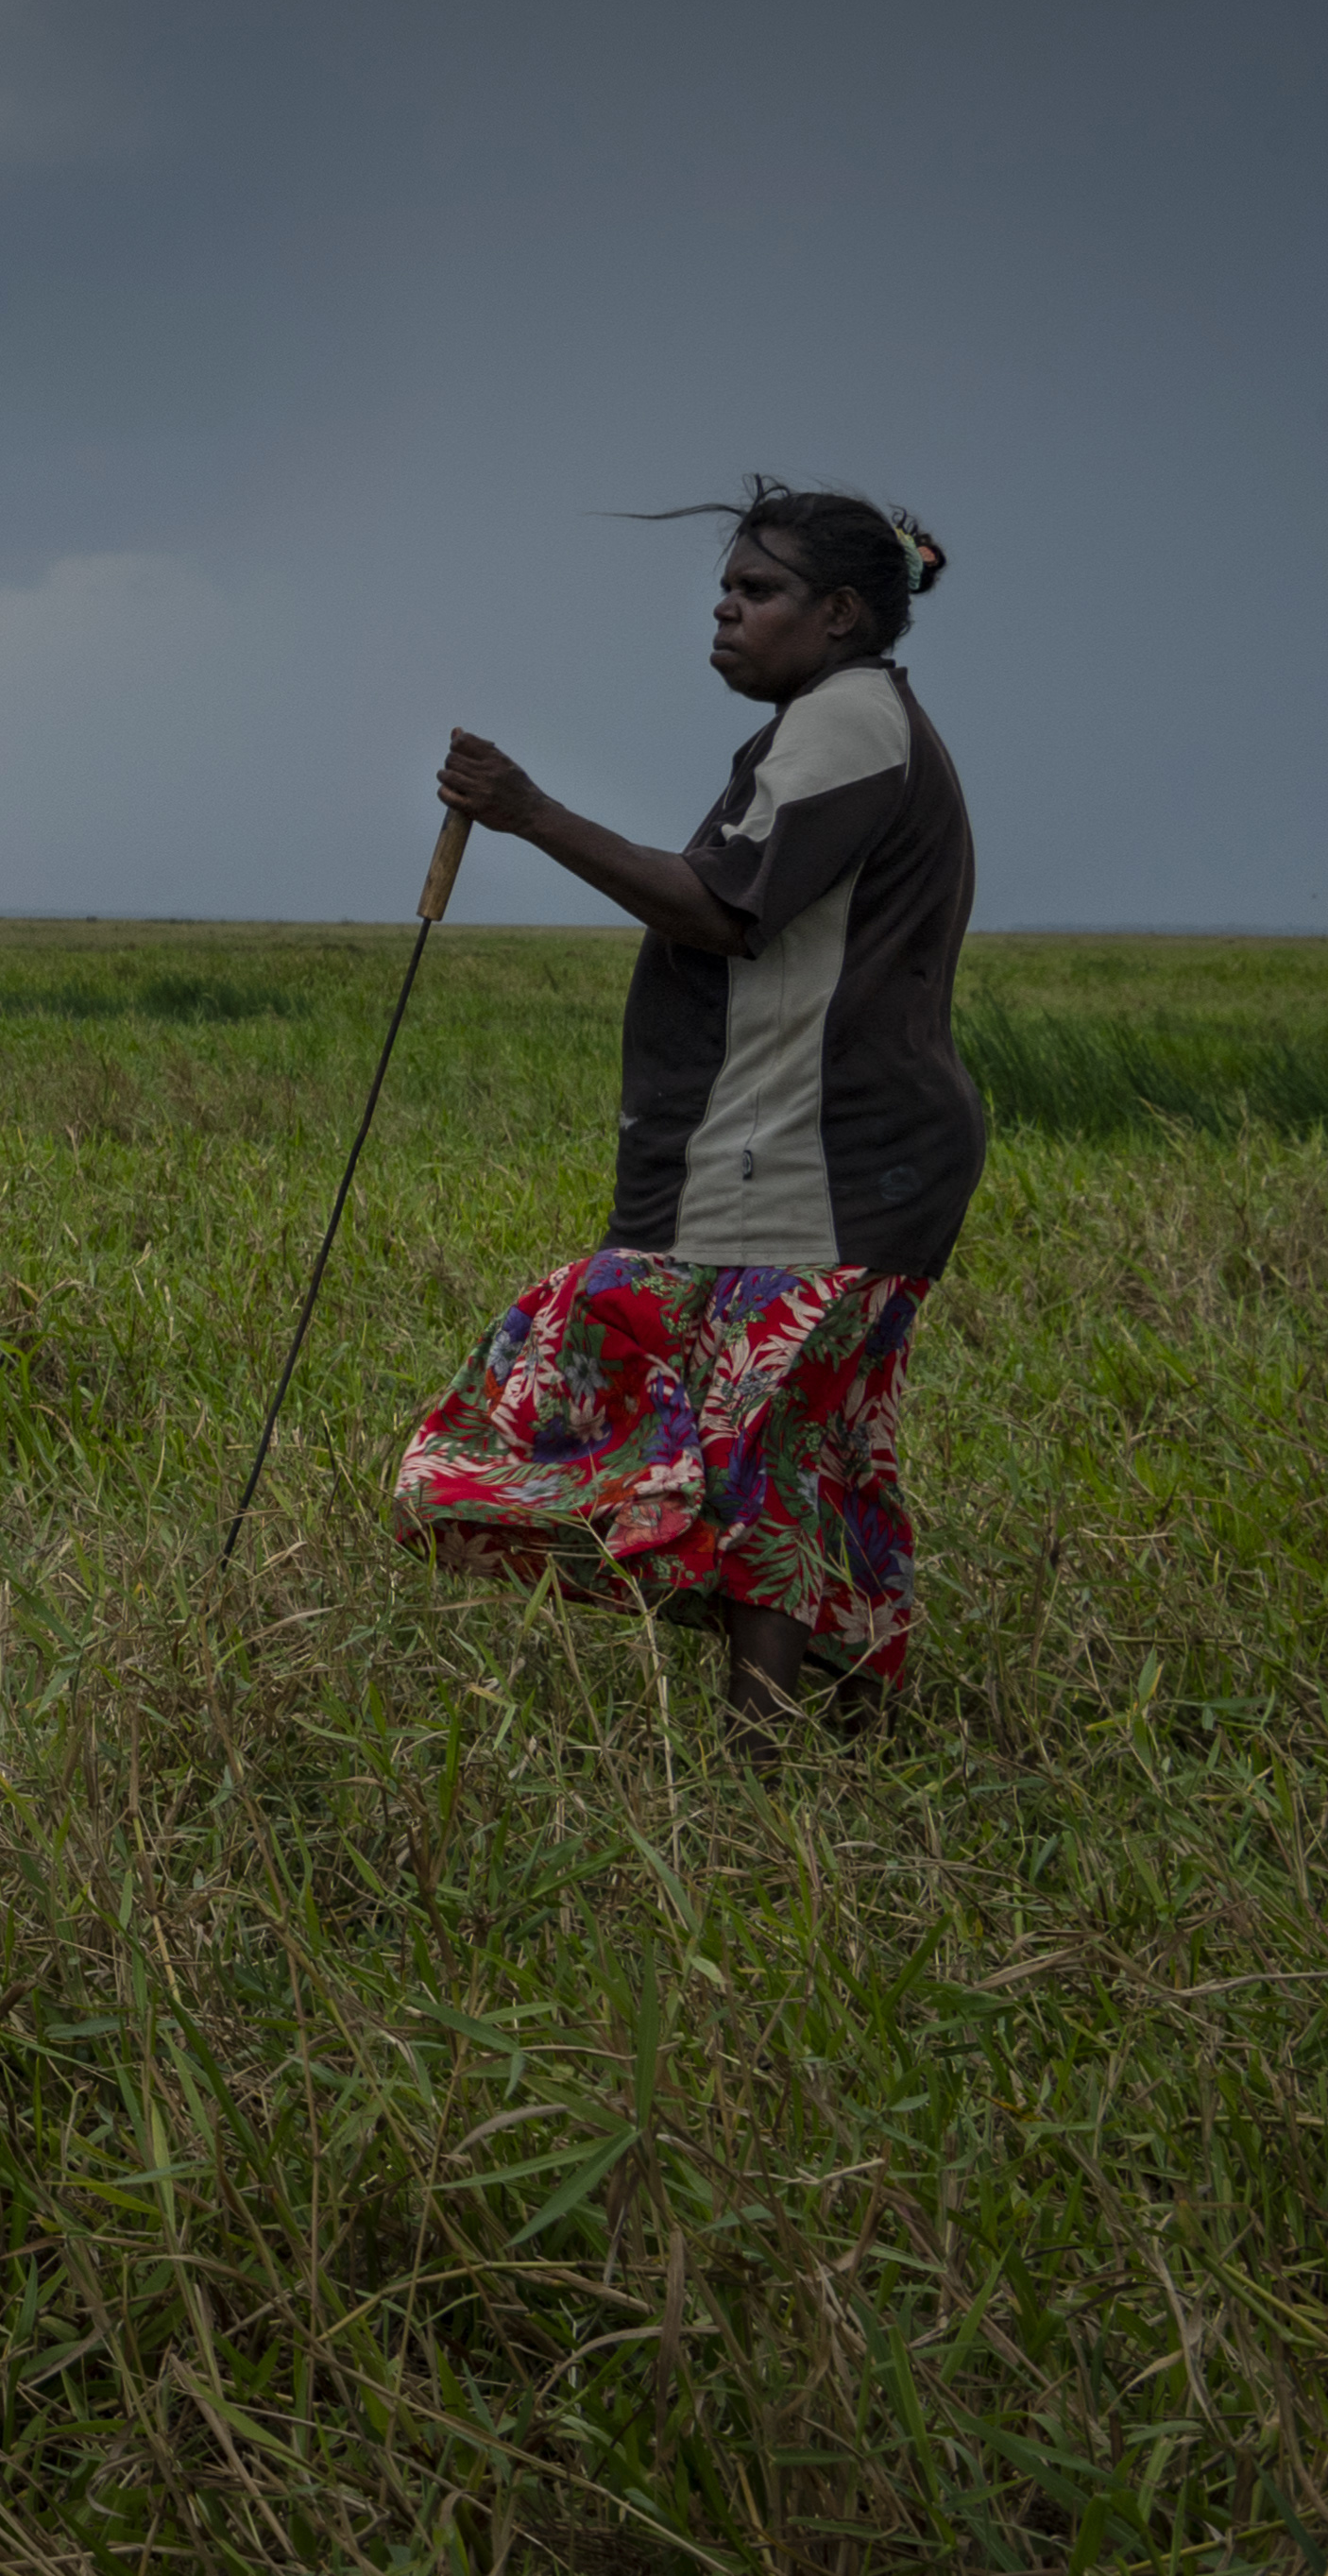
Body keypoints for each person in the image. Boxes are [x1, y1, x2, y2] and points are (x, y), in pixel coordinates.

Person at [396, 484, 976, 1754]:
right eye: (728, 584)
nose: (726, 607)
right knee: (796, 1440)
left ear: (835, 614)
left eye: (757, 590)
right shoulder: (837, 722)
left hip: (822, 1154)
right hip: (813, 1146)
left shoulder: (846, 721)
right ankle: (827, 1718)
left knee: (753, 1433)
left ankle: (762, 1745)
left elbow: (722, 906)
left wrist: (530, 811)